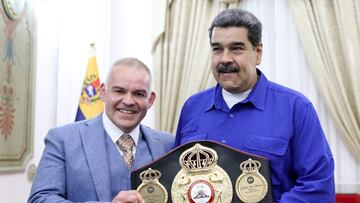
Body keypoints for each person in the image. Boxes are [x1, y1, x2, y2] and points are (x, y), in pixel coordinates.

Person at [174, 8, 334, 202]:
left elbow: (317, 186)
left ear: (257, 53)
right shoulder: (192, 107)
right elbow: (177, 177)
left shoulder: (296, 108)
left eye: (236, 48)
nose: (225, 59)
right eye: (217, 49)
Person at [29, 57, 174, 203]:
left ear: (150, 99)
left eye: (139, 94)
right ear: (103, 92)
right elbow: (40, 199)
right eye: (119, 91)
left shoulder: (168, 144)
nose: (128, 101)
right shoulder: (63, 140)